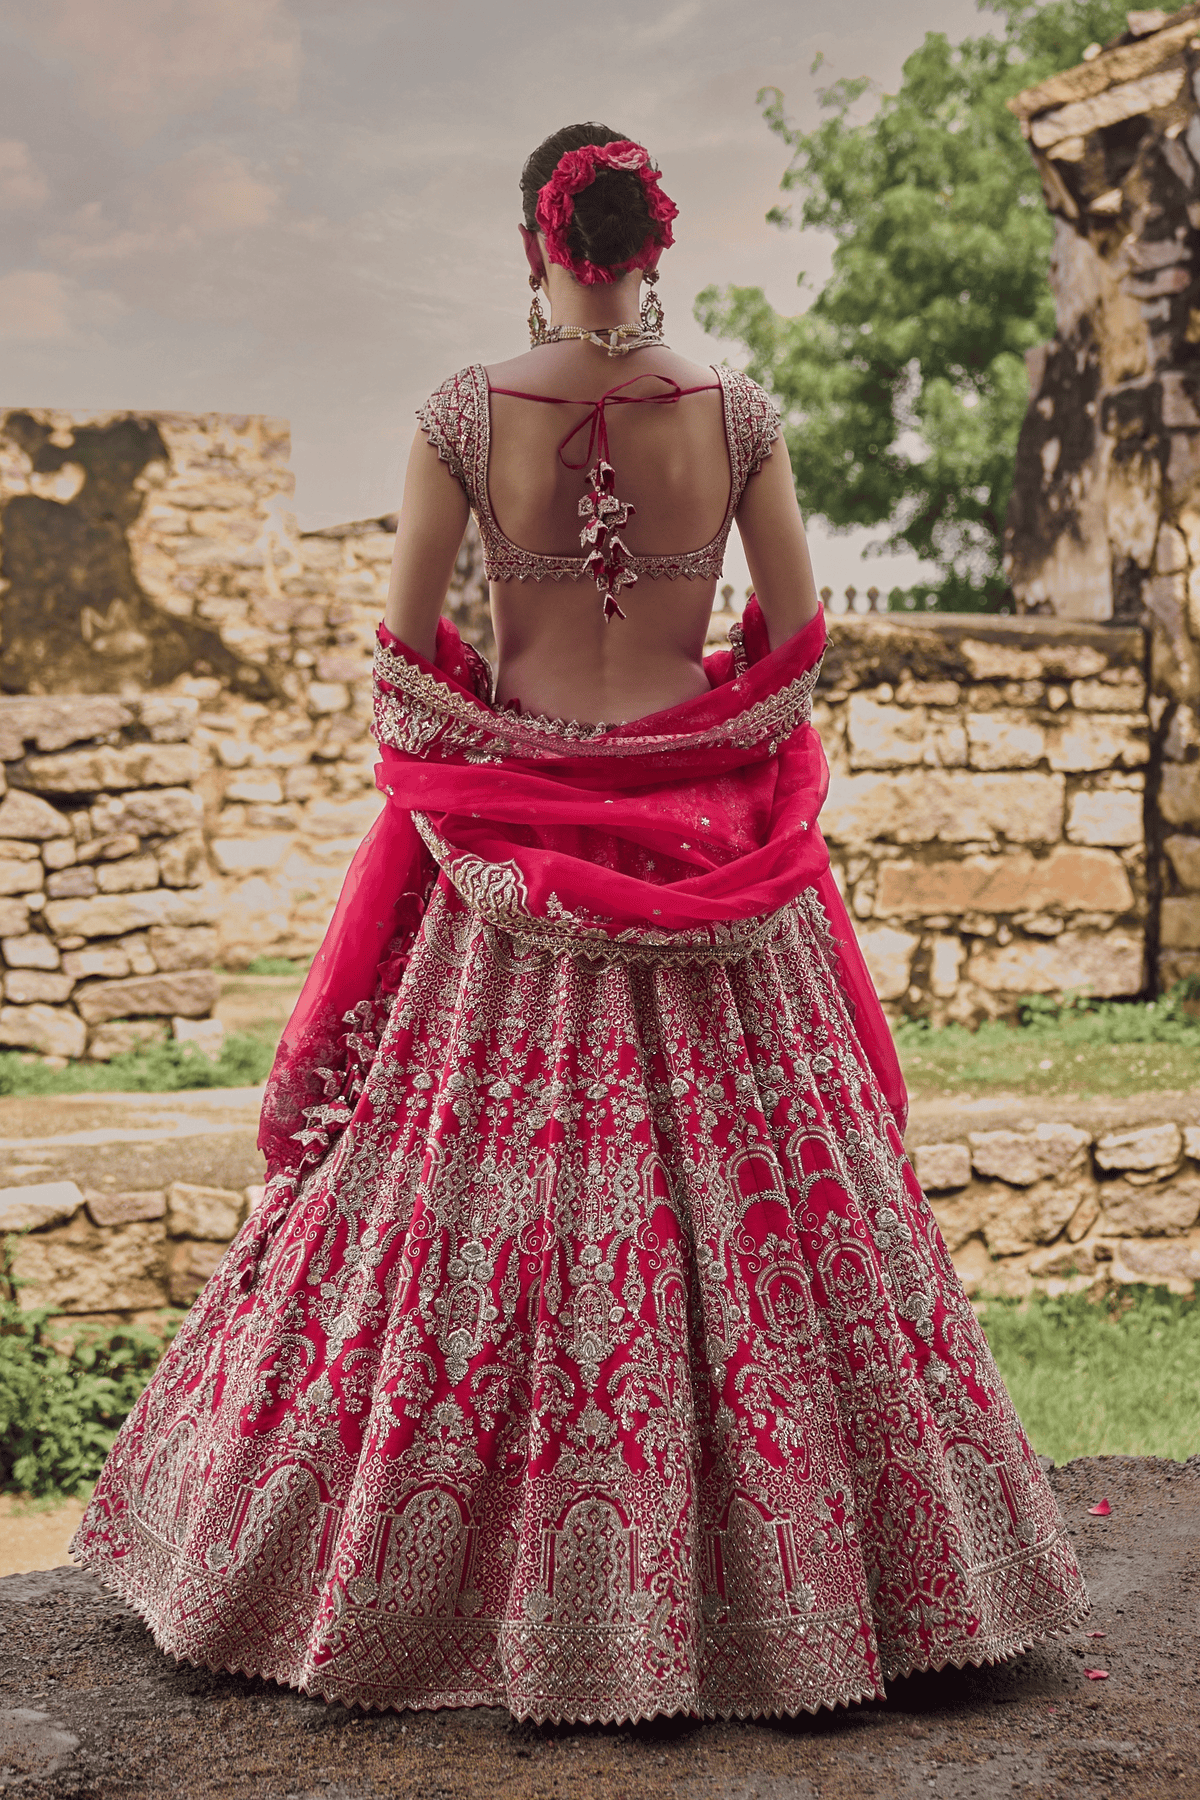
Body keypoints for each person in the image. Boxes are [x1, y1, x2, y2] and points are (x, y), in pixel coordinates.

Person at [73, 123, 1088, 1726]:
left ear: (534, 244)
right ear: (650, 241)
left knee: (450, 1228)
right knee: (790, 1237)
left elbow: (405, 661)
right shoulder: (738, 413)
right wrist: (707, 743)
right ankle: (822, 1607)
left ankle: (397, 1590)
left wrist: (507, 754)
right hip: (720, 870)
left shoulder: (463, 413)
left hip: (512, 872)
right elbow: (803, 644)